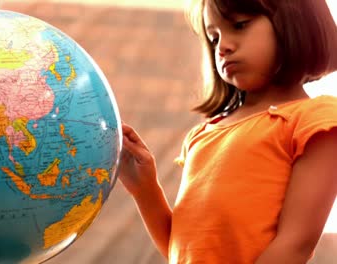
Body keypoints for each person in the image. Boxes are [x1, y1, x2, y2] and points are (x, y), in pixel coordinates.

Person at [118, 0, 337, 263]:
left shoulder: (316, 120)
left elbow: (295, 244)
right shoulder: (203, 134)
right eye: (213, 38)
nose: (222, 47)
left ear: (296, 23)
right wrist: (145, 189)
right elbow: (183, 250)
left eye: (239, 25)